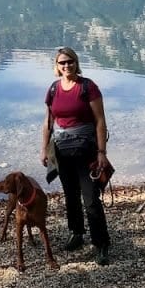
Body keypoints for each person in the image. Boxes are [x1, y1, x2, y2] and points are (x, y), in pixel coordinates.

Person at [40, 46, 111, 265]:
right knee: (70, 195)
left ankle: (101, 244)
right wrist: (44, 148)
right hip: (61, 150)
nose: (66, 65)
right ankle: (77, 233)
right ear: (57, 66)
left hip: (86, 150)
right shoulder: (53, 89)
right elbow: (48, 122)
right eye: (62, 62)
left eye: (70, 61)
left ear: (76, 62)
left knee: (90, 199)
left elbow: (100, 121)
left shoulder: (88, 87)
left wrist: (101, 153)